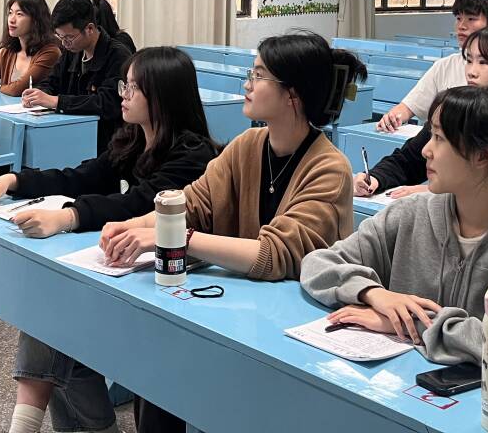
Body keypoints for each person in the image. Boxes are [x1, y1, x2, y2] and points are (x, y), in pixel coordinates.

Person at [98, 32, 365, 433]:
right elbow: (191, 203)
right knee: (160, 358)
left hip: (296, 329)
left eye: (258, 75)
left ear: (291, 94)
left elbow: (274, 256)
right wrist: (132, 226)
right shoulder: (248, 145)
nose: (247, 84)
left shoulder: (329, 167)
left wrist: (177, 237)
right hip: (243, 308)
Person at [0, 47, 218, 433]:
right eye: (125, 85)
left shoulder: (194, 154)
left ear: (162, 96)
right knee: (52, 316)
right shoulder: (131, 139)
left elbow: (137, 203)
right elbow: (82, 176)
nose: (123, 95)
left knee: (56, 318)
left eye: (133, 88)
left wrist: (68, 217)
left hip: (167, 289)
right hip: (126, 272)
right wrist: (17, 180)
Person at [302, 86, 488, 375]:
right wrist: (373, 294)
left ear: (483, 156)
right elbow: (318, 264)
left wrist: (410, 322)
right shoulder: (409, 214)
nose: (426, 150)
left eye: (439, 138)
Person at [356, 23, 488, 197]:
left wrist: (439, 192)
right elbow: (408, 160)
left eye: (484, 62)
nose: (471, 72)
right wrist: (375, 178)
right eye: (469, 60)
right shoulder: (452, 114)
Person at [375, 0, 488, 133]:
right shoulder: (444, 66)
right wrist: (392, 118)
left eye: (471, 19)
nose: (461, 26)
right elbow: (410, 106)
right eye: (458, 18)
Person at [23, 0, 132, 152]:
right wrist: (38, 94)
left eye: (69, 37)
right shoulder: (72, 51)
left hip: (106, 142)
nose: (64, 43)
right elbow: (52, 81)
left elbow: (107, 102)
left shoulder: (118, 55)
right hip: (72, 132)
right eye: (60, 37)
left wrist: (57, 102)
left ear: (89, 29)